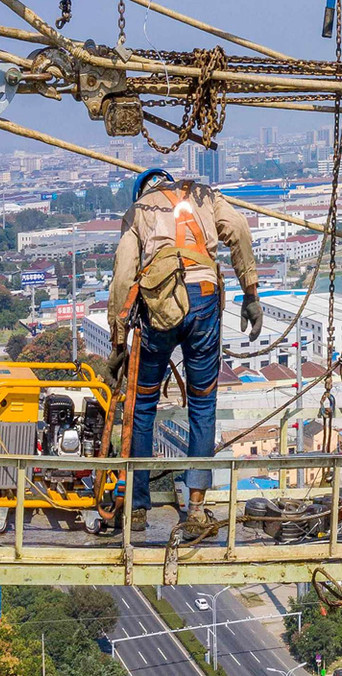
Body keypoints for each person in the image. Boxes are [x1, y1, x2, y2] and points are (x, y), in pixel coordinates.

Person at [108, 167, 261, 535]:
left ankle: (139, 508)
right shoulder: (203, 196)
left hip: (159, 306)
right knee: (202, 403)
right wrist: (251, 293)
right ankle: (194, 510)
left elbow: (122, 276)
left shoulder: (139, 211)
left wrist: (116, 344)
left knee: (142, 405)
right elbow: (238, 230)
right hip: (204, 301)